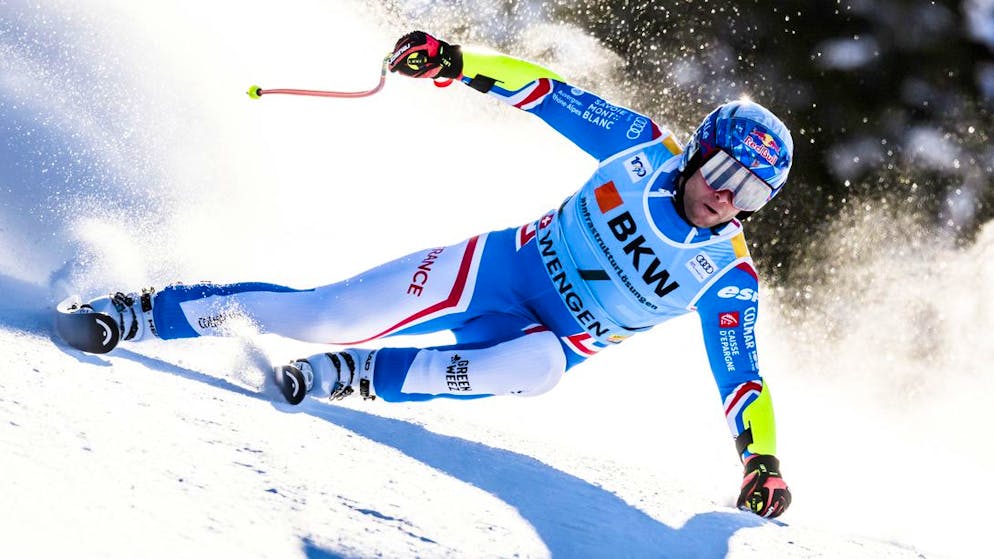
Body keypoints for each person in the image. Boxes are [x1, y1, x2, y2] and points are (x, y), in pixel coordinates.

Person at [74, 31, 793, 518]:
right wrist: (454, 60)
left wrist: (760, 460)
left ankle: (354, 376)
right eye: (728, 170)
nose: (729, 196)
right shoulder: (640, 148)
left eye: (754, 192)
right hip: (495, 271)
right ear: (700, 151)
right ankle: (140, 313)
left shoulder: (725, 276)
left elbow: (742, 379)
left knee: (542, 365)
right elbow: (544, 91)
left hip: (544, 341)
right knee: (323, 314)